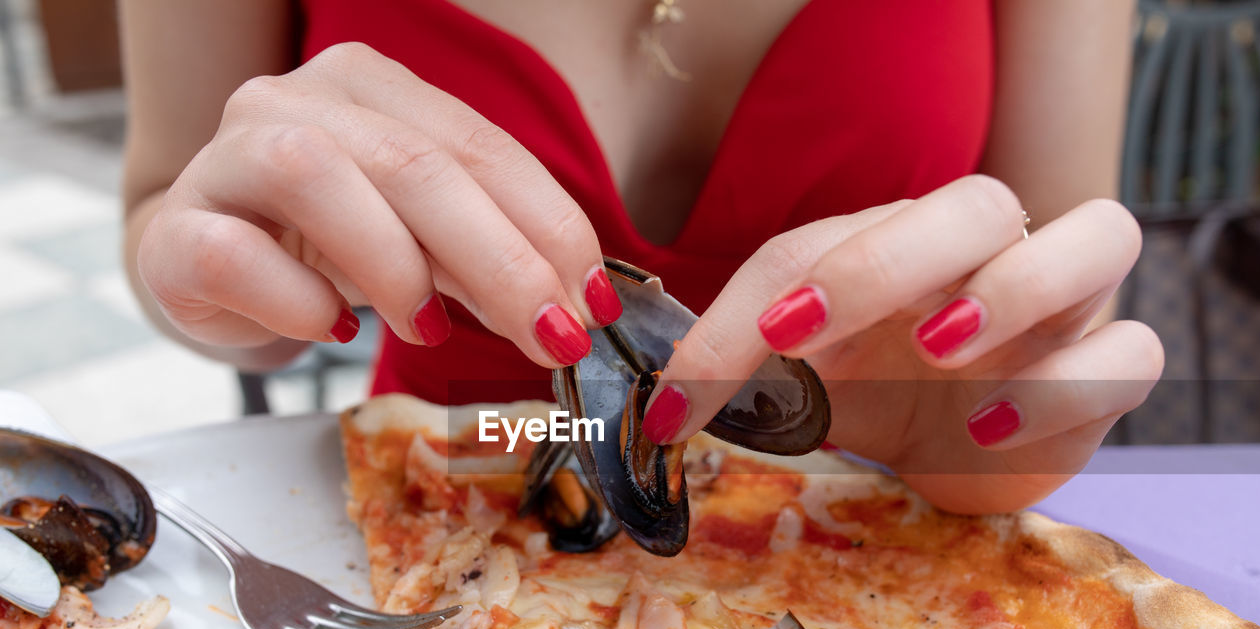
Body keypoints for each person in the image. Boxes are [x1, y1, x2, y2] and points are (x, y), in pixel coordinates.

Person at [119, 0, 1162, 515]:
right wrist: (220, 262)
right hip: (441, 489)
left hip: (882, 534)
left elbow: (1060, 277)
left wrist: (997, 391)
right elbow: (168, 209)